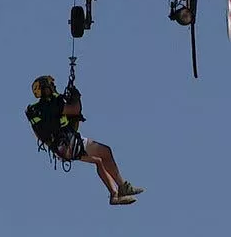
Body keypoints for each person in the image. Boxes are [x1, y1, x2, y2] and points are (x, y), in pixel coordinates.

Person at [25, 74, 144, 205]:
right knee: (106, 152)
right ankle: (123, 187)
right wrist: (76, 97)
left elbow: (43, 131)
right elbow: (75, 110)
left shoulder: (37, 109)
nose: (54, 87)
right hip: (69, 143)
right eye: (51, 85)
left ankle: (114, 196)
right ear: (45, 89)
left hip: (60, 149)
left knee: (98, 161)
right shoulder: (51, 105)